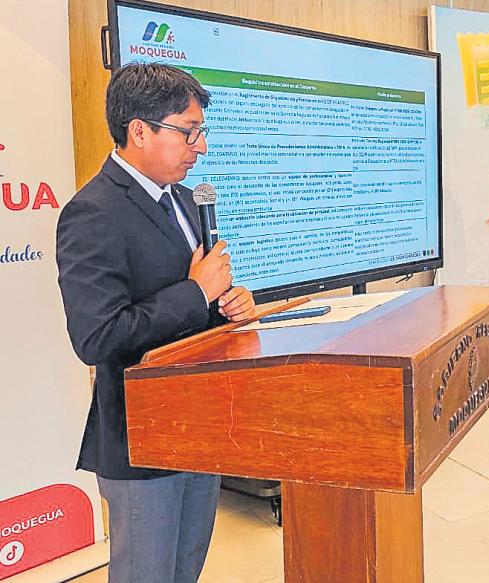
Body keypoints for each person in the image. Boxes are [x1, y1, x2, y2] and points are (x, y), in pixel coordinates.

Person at [56, 63, 256, 582]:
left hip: (201, 424)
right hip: (141, 442)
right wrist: (196, 293)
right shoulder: (93, 212)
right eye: (188, 132)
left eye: (200, 132)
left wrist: (228, 303)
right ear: (139, 131)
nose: (200, 147)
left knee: (186, 569)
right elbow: (96, 336)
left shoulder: (186, 200)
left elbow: (200, 298)